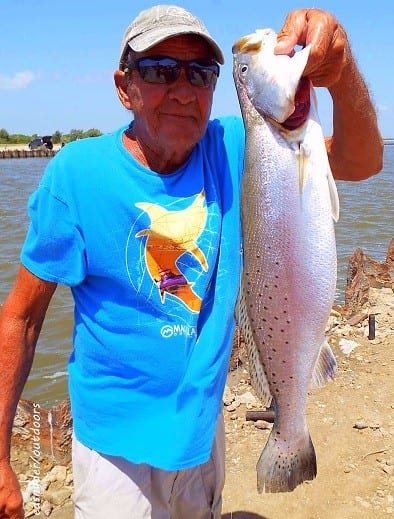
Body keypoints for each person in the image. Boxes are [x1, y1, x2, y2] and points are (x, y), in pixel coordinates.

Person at [0, 5, 382, 519]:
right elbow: (22, 321)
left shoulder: (237, 147)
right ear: (123, 86)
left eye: (201, 73)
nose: (183, 89)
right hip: (116, 450)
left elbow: (362, 162)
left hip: (204, 434)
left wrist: (342, 72)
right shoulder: (75, 175)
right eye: (160, 71)